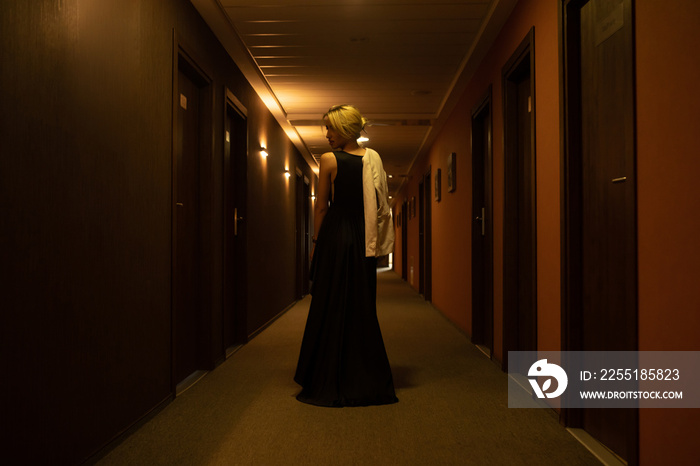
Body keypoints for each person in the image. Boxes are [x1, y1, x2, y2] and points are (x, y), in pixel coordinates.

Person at [294, 104, 398, 407]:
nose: (326, 135)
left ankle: (326, 375)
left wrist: (316, 241)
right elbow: (379, 204)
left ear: (345, 130)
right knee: (361, 305)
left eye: (330, 128)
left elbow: (322, 206)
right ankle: (365, 378)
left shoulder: (328, 160)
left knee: (330, 302)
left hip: (338, 236)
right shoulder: (373, 158)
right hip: (364, 238)